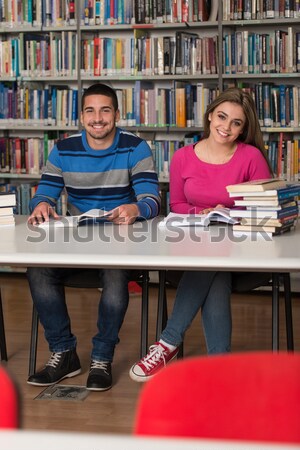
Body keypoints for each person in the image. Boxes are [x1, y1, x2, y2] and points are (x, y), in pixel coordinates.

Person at [129, 87, 273, 382]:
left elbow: (264, 207)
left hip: (242, 252)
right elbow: (178, 205)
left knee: (214, 265)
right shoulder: (183, 157)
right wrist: (200, 214)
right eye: (222, 117)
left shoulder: (251, 156)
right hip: (194, 248)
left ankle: (167, 343)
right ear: (209, 116)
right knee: (213, 271)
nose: (227, 127)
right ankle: (219, 367)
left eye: (236, 123)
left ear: (244, 128)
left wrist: (227, 214)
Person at [26, 83, 160, 391]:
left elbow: (152, 201)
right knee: (38, 270)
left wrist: (136, 207)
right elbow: (43, 193)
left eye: (104, 110)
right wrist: (42, 203)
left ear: (116, 113)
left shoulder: (135, 147)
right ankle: (64, 353)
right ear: (81, 115)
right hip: (77, 241)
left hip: (119, 241)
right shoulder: (63, 148)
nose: (97, 118)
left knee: (114, 278)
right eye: (90, 111)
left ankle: (102, 357)